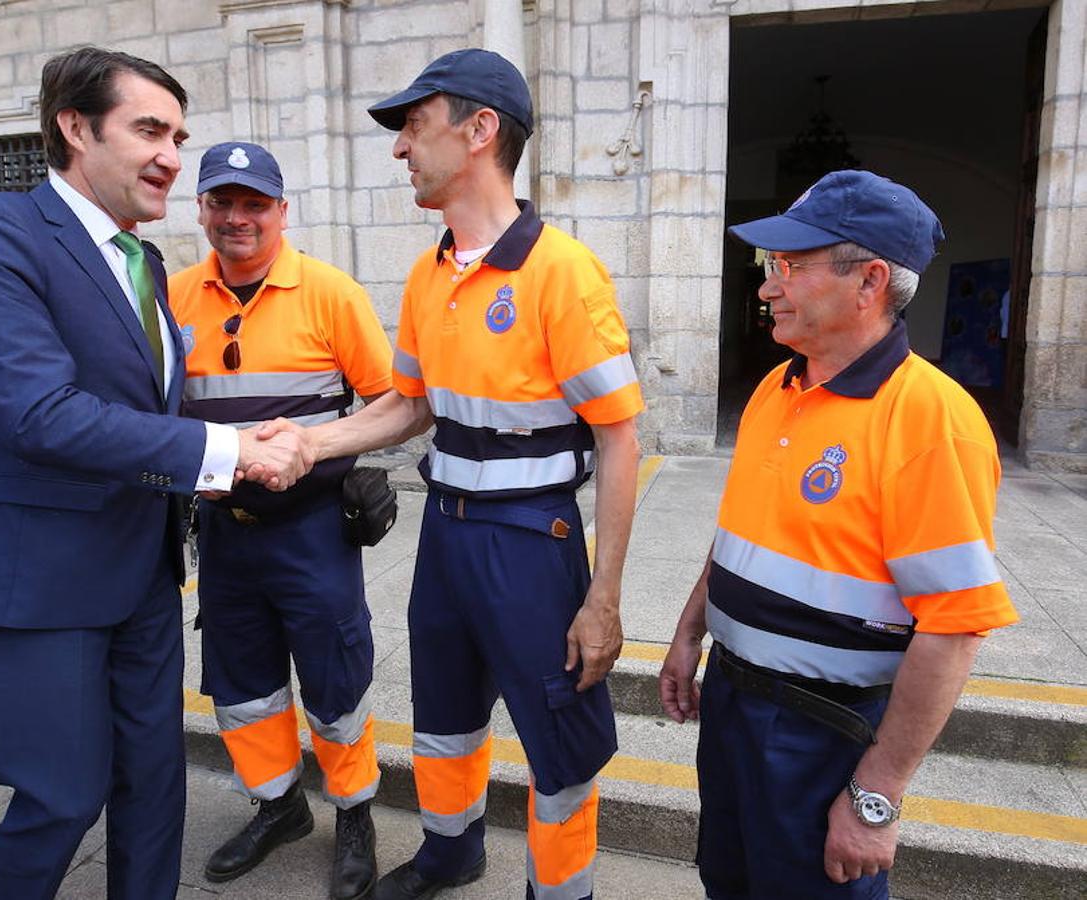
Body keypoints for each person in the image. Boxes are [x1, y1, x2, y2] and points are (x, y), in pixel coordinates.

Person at [0, 47, 312, 900]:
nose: (173, 155)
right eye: (148, 129)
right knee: (61, 798)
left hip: (141, 575)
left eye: (178, 134)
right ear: (73, 126)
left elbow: (141, 418)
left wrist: (225, 466)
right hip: (36, 580)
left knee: (154, 789)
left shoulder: (145, 264)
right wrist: (231, 451)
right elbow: (37, 411)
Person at [264, 48, 643, 900]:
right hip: (446, 530)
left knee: (561, 735)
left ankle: (561, 889)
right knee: (442, 712)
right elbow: (409, 405)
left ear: (479, 131)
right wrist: (309, 442)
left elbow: (620, 438)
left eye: (413, 124)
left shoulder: (560, 271)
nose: (400, 148)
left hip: (528, 540)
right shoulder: (428, 272)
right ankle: (448, 851)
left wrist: (603, 597)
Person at [657, 170, 1020, 900]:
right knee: (727, 880)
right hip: (732, 704)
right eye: (770, 267)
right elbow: (739, 535)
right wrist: (691, 629)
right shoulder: (777, 387)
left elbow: (952, 629)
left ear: (871, 282)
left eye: (790, 267)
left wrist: (873, 798)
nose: (766, 288)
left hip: (821, 735)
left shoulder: (929, 421)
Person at [168, 141, 392, 898]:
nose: (237, 218)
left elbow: (394, 402)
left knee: (336, 678)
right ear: (199, 209)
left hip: (313, 530)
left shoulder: (329, 292)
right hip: (225, 535)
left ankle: (354, 814)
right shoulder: (171, 298)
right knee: (240, 685)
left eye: (253, 203)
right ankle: (278, 806)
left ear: (281, 211)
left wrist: (340, 457)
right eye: (221, 202)